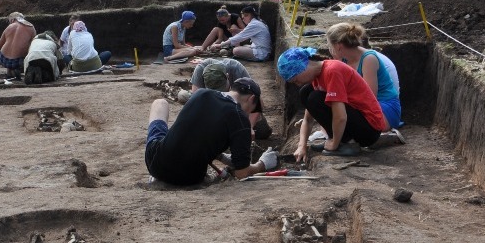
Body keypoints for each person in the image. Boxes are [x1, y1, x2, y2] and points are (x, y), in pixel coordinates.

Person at [144, 76, 277, 186]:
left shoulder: (201, 94)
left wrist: (222, 157)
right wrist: (262, 164)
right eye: (252, 110)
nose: (249, 114)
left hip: (156, 164)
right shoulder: (240, 118)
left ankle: (158, 177)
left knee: (160, 103)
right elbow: (242, 174)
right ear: (251, 98)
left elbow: (191, 134)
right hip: (189, 179)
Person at [278, 46, 389, 161]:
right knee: (305, 92)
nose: (298, 84)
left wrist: (334, 144)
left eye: (296, 79)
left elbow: (340, 117)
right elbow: (308, 119)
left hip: (369, 129)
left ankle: (347, 143)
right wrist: (301, 146)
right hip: (357, 121)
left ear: (302, 67)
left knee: (315, 98)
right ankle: (339, 140)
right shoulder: (317, 78)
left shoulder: (332, 71)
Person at [325, 22, 402, 131]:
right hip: (364, 105)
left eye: (330, 45)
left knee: (341, 112)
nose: (329, 49)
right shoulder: (344, 60)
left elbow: (370, 97)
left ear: (338, 46)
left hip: (382, 107)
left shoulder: (368, 59)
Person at [190, 57, 269, 139]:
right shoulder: (200, 69)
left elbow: (257, 102)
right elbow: (196, 103)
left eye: (221, 90)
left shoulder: (236, 69)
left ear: (227, 76)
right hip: (212, 109)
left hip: (237, 108)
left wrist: (250, 128)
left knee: (262, 132)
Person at [0, 12, 35, 82]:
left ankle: (9, 70)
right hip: (19, 62)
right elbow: (34, 46)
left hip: (4, 60)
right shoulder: (31, 27)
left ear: (12, 20)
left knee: (7, 51)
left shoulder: (9, 27)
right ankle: (15, 69)